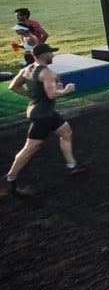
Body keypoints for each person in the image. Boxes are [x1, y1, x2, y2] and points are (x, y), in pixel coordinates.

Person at [5, 44, 84, 196]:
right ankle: (10, 177)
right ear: (44, 55)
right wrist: (66, 90)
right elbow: (52, 94)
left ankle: (72, 166)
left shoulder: (27, 69)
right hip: (42, 115)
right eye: (50, 53)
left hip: (43, 111)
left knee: (66, 132)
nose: (53, 55)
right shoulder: (47, 73)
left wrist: (32, 95)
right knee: (31, 147)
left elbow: (13, 86)